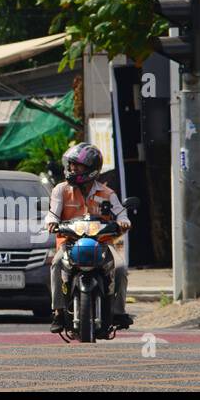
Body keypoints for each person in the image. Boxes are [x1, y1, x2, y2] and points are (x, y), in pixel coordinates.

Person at [45, 142, 132, 333]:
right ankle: (58, 311)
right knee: (56, 264)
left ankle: (119, 312)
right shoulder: (61, 190)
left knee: (121, 268)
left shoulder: (107, 193)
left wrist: (124, 222)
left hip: (101, 244)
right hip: (69, 243)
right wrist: (51, 221)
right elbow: (53, 212)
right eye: (71, 164)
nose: (72, 168)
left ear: (92, 169)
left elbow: (121, 214)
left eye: (78, 165)